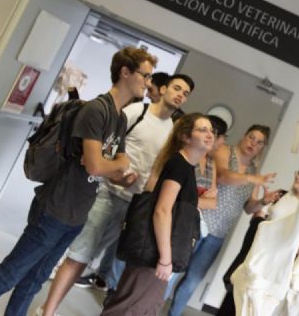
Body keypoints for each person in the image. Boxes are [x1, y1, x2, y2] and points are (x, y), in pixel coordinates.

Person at [0, 47, 156, 316]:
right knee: (9, 275)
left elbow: (113, 169)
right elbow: (99, 165)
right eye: (145, 75)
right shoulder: (97, 110)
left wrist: (116, 166)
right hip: (54, 209)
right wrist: (117, 165)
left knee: (34, 280)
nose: (148, 83)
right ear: (125, 72)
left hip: (77, 215)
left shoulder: (119, 118)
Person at [38, 74, 194, 315]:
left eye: (185, 93)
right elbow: (105, 147)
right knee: (80, 255)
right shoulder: (136, 112)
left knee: (118, 266)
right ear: (163, 89)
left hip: (137, 207)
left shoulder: (174, 130)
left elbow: (162, 168)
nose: (180, 95)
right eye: (177, 88)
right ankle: (47, 311)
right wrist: (117, 173)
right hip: (108, 195)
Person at [101, 113, 215, 315]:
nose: (209, 134)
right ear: (186, 137)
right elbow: (162, 210)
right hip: (153, 254)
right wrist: (164, 259)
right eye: (202, 129)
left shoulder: (186, 167)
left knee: (145, 308)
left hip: (157, 253)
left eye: (211, 130)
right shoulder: (179, 165)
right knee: (131, 308)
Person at [166, 125, 278, 316]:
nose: (253, 143)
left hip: (218, 234)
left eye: (259, 142)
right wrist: (253, 179)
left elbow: (248, 208)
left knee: (193, 279)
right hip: (197, 222)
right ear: (244, 137)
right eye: (251, 137)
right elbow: (224, 177)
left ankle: (173, 314)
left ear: (262, 148)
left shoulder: (254, 170)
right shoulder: (226, 151)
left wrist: (262, 202)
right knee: (173, 271)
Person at [216, 169, 299, 316]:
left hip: (274, 266)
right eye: (297, 173)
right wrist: (263, 202)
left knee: (254, 307)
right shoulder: (280, 195)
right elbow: (255, 216)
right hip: (254, 256)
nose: (298, 177)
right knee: (234, 297)